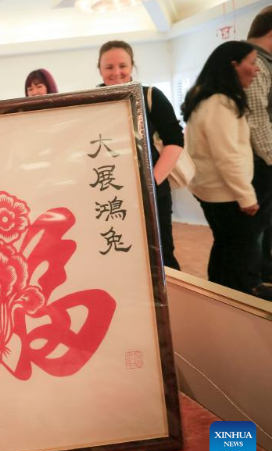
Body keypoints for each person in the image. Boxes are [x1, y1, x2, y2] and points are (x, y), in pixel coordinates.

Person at [181, 41, 272, 299]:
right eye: (252, 62)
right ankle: (239, 298)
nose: (256, 69)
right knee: (239, 251)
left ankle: (220, 294)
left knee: (225, 245)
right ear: (234, 66)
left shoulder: (207, 97)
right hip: (224, 193)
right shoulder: (220, 103)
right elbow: (228, 157)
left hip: (212, 190)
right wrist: (247, 197)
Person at [97, 40, 183, 270]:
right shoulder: (92, 101)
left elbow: (175, 141)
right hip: (110, 194)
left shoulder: (151, 96)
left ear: (132, 66)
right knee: (120, 252)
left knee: (162, 254)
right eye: (109, 67)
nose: (116, 73)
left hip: (152, 192)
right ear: (99, 69)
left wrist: (150, 184)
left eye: (122, 65)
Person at [246, 6, 272, 284]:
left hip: (260, 159)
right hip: (259, 160)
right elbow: (257, 120)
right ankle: (254, 282)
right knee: (257, 227)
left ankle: (264, 272)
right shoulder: (254, 61)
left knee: (265, 224)